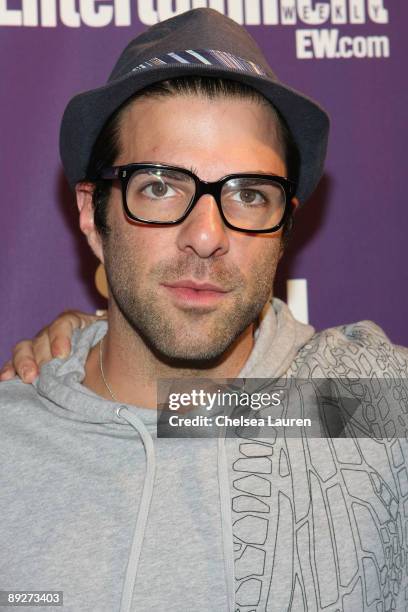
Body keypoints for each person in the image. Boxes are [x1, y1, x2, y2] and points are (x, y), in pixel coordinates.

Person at [1, 8, 407, 612]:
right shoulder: (13, 438)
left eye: (249, 194)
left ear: (284, 227)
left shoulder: (360, 407)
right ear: (93, 215)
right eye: (160, 186)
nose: (207, 235)